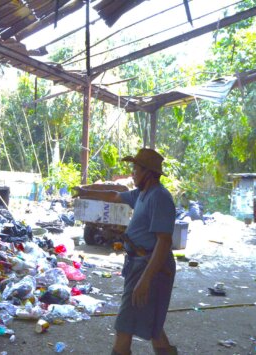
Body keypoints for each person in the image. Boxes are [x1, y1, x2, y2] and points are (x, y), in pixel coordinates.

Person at [74, 148, 177, 355]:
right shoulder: (141, 194)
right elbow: (113, 195)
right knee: (154, 327)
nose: (133, 174)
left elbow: (164, 242)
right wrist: (85, 192)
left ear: (148, 172)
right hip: (138, 263)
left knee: (125, 325)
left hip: (150, 267)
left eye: (136, 169)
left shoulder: (160, 198)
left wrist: (145, 280)